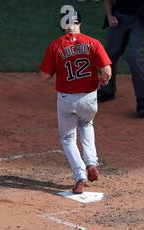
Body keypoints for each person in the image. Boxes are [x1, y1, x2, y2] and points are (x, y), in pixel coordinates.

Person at [39, 8, 112, 194]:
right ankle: (91, 163)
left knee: (67, 138)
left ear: (62, 24)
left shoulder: (56, 46)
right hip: (89, 98)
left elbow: (44, 76)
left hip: (66, 99)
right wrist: (104, 80)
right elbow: (107, 71)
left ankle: (80, 175)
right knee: (87, 125)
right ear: (80, 23)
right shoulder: (93, 43)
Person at [97, 0, 144, 117]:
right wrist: (109, 15)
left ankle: (143, 101)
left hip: (141, 19)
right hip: (120, 15)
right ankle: (107, 90)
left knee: (134, 55)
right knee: (109, 53)